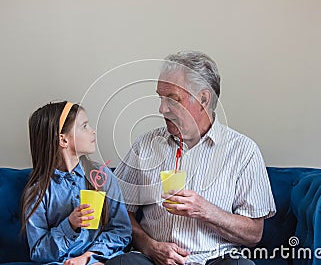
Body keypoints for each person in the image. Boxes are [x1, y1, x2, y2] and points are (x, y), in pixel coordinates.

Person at [106, 51, 276, 265]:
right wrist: (150, 247)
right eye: (160, 97)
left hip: (216, 259)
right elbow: (119, 213)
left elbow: (254, 234)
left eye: (173, 99)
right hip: (154, 259)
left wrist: (206, 211)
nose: (162, 108)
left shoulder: (243, 151)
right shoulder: (146, 145)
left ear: (203, 99)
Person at [20, 101, 132, 265]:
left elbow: (121, 231)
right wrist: (70, 225)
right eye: (84, 126)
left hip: (101, 260)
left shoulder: (102, 176)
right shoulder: (38, 191)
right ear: (63, 140)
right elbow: (38, 251)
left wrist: (89, 257)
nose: (92, 131)